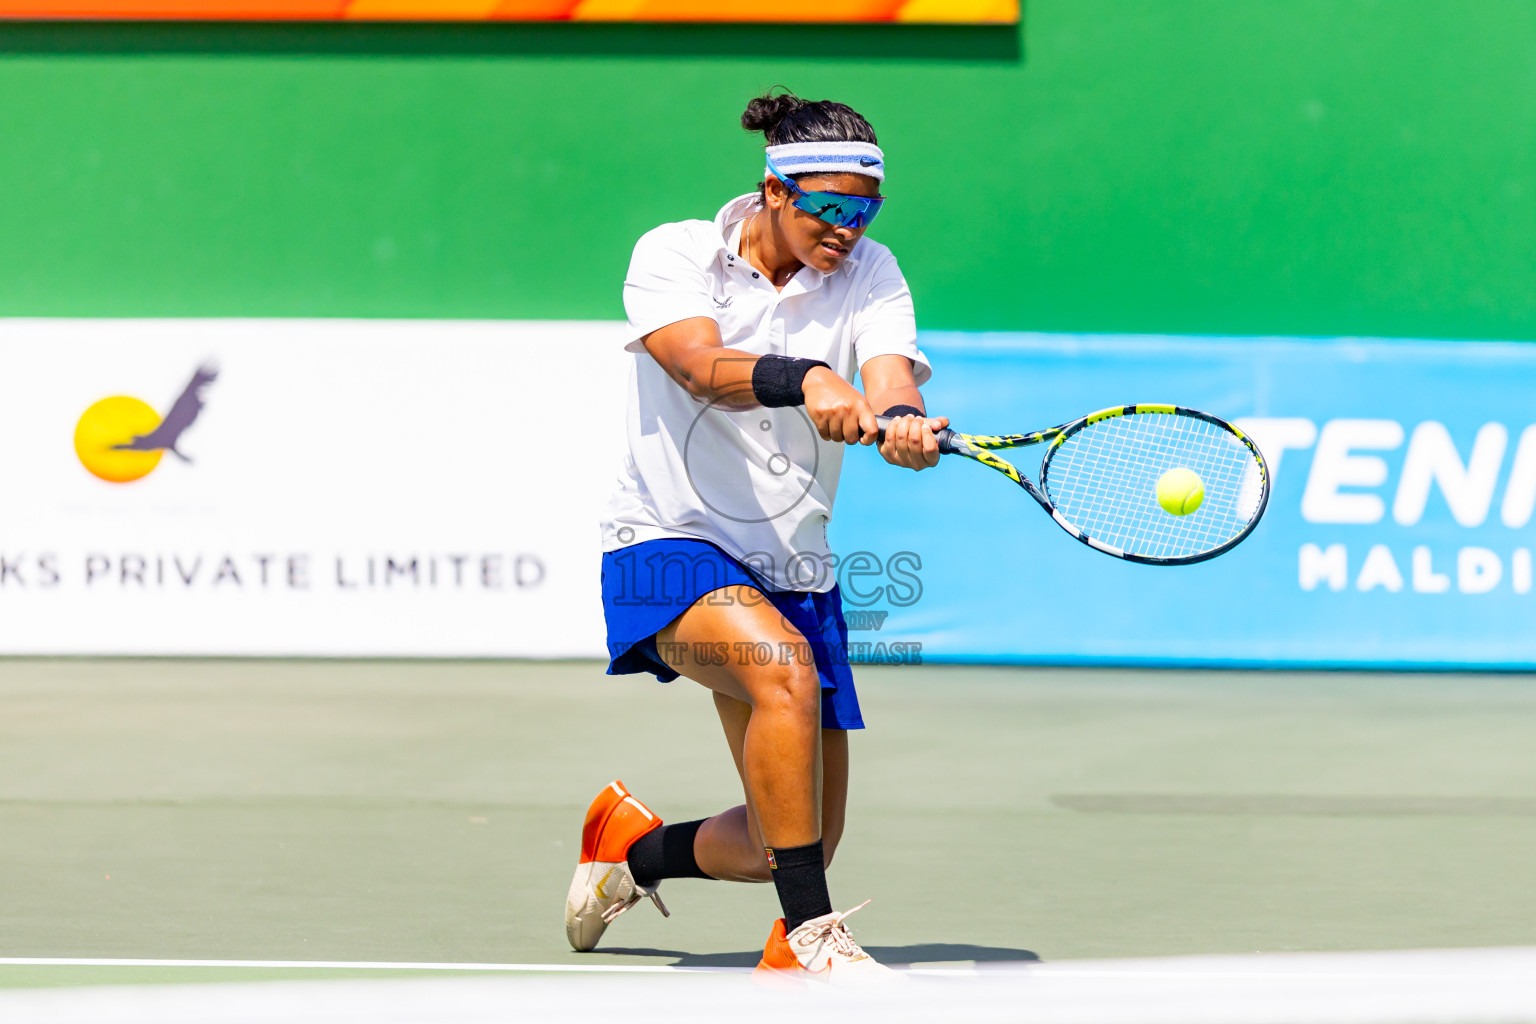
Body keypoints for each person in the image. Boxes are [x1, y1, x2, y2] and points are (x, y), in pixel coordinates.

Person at [564, 90, 945, 981]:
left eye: (865, 209)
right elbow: (697, 364)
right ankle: (808, 941)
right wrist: (806, 375)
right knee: (781, 672)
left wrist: (900, 421)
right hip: (666, 536)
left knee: (794, 839)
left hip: (794, 564)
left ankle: (631, 852)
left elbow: (890, 375)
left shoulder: (873, 272)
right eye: (829, 207)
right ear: (774, 189)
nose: (847, 227)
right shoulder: (676, 252)